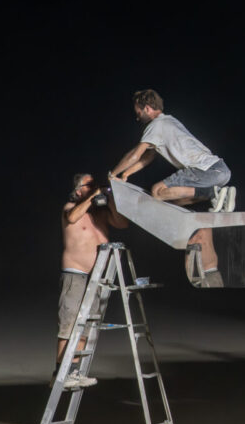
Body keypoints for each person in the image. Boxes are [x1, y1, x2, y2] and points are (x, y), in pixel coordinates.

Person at [108, 89, 235, 212]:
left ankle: (213, 193)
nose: (137, 118)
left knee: (157, 191)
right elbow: (147, 157)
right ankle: (220, 197)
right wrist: (126, 174)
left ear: (147, 108)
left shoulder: (156, 125)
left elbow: (135, 155)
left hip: (205, 169)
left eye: (138, 113)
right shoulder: (169, 121)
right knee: (173, 199)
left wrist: (113, 175)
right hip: (221, 171)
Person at [58, 172, 128, 387]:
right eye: (89, 185)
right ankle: (61, 372)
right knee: (69, 325)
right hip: (76, 273)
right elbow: (72, 218)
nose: (94, 187)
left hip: (97, 275)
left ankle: (75, 371)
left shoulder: (100, 213)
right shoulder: (70, 209)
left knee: (86, 326)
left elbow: (121, 223)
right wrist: (92, 196)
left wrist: (112, 198)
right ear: (78, 190)